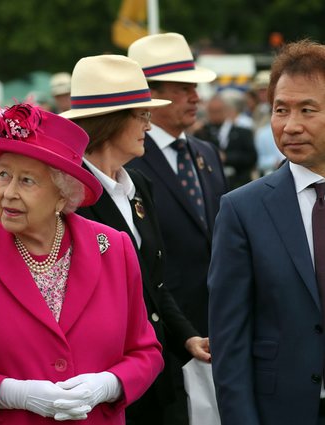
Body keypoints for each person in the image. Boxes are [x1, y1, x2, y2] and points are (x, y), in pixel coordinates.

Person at [0, 102, 163, 424]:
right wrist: (14, 393)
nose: (8, 193)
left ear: (64, 195)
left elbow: (145, 352)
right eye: (3, 175)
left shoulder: (114, 249)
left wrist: (107, 385)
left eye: (27, 181)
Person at [62, 54, 211, 425]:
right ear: (111, 121)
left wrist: (186, 338)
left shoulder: (138, 186)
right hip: (104, 382)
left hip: (158, 373)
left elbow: (153, 281)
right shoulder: (69, 192)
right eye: (141, 115)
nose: (148, 124)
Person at [208, 39, 325, 425]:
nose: (290, 125)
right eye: (280, 110)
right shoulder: (243, 210)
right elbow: (230, 341)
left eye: (308, 110)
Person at [127, 32, 227, 424]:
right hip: (159, 341)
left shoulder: (204, 153)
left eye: (195, 88)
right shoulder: (129, 158)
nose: (196, 97)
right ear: (150, 93)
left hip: (214, 331)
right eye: (184, 88)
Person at [194, 93, 257, 189]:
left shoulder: (243, 132)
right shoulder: (201, 133)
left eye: (218, 111)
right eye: (212, 111)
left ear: (226, 110)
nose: (215, 115)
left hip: (240, 184)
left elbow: (252, 157)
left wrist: (227, 157)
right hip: (212, 186)